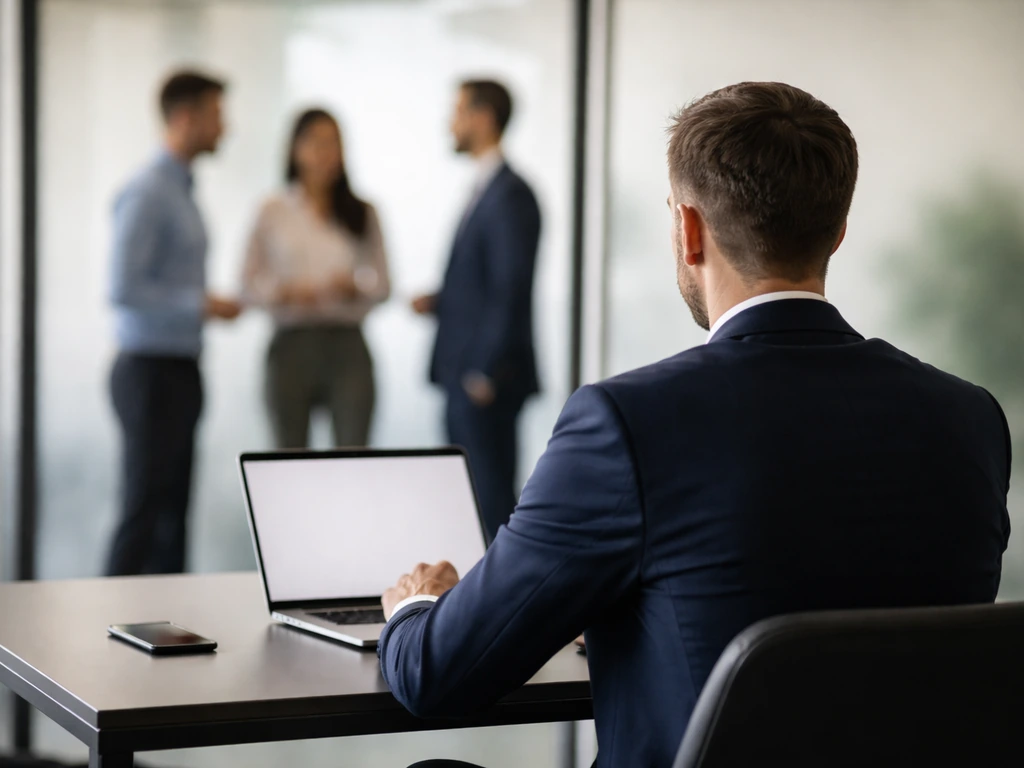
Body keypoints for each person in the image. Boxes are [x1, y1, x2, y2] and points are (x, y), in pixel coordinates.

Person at [379, 82, 1012, 768]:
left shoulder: (626, 423)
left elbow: (438, 676)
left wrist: (415, 609)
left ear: (687, 229)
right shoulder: (969, 418)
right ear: (838, 230)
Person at [107, 70, 241, 576]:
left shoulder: (181, 188)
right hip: (148, 373)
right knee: (143, 512)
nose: (224, 129)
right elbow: (122, 289)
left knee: (172, 519)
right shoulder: (149, 191)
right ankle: (105, 632)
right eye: (216, 117)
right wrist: (200, 304)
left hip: (179, 369)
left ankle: (162, 637)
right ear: (186, 118)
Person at [411, 80, 541, 542]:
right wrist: (442, 301)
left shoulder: (510, 194)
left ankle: (500, 608)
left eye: (459, 110)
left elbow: (511, 287)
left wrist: (483, 371)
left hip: (485, 379)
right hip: (465, 371)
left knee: (489, 504)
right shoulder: (486, 189)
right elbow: (486, 284)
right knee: (464, 500)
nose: (452, 122)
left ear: (484, 118)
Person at [242, 108, 390, 448]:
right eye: (316, 142)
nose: (326, 153)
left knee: (353, 452)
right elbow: (247, 283)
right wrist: (284, 292)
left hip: (347, 344)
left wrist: (354, 286)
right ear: (295, 149)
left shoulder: (362, 211)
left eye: (333, 143)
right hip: (292, 342)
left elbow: (383, 285)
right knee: (288, 455)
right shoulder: (272, 210)